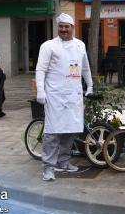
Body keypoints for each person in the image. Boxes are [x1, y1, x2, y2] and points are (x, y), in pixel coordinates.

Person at [36, 13, 93, 181]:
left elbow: (85, 68)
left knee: (71, 130)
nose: (63, 29)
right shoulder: (48, 46)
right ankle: (48, 167)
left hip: (74, 94)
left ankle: (64, 162)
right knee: (52, 133)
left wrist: (90, 85)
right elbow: (41, 70)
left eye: (66, 26)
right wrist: (40, 90)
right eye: (60, 26)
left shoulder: (80, 45)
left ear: (72, 28)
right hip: (54, 96)